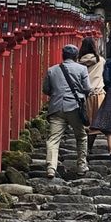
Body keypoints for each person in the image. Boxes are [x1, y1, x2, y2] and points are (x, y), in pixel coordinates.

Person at [42, 44, 90, 178]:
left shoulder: (52, 70)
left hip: (56, 107)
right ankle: (81, 165)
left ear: (63, 55)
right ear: (76, 56)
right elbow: (87, 88)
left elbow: (46, 89)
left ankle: (51, 167)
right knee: (81, 136)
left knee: (53, 139)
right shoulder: (82, 69)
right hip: (74, 106)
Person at [79, 35, 105, 150]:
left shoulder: (78, 62)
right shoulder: (101, 61)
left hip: (83, 95)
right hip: (99, 95)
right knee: (95, 124)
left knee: (84, 123)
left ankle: (83, 147)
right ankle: (89, 147)